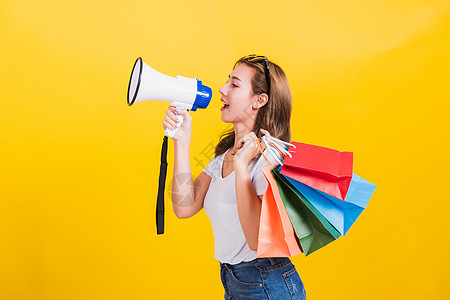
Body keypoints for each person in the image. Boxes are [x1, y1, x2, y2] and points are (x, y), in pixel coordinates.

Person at [162, 54, 306, 300]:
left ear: (259, 100)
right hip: (235, 280)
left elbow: (255, 240)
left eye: (234, 84)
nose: (222, 89)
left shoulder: (269, 159)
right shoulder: (221, 154)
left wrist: (242, 167)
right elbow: (184, 206)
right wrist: (182, 140)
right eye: (227, 81)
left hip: (266, 283)